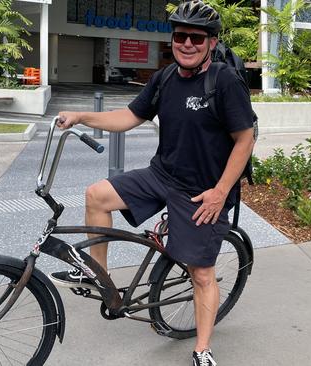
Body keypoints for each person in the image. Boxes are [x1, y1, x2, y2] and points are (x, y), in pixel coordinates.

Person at [50, 1, 255, 365]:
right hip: (162, 174)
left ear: (211, 42)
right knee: (96, 195)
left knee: (202, 273)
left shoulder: (223, 81)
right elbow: (128, 116)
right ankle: (102, 278)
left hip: (202, 190)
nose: (187, 43)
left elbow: (245, 139)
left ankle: (202, 349)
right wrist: (80, 115)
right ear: (172, 39)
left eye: (196, 37)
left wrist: (220, 193)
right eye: (180, 36)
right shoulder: (165, 79)